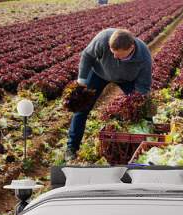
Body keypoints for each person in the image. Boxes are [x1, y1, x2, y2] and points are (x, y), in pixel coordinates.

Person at [65, 28, 152, 161]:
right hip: (99, 73)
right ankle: (71, 147)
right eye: (112, 53)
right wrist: (81, 81)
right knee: (81, 109)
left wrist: (138, 102)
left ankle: (147, 143)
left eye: (119, 55)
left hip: (127, 80)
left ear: (131, 48)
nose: (115, 57)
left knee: (142, 109)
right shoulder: (103, 39)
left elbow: (143, 86)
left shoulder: (143, 56)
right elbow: (87, 55)